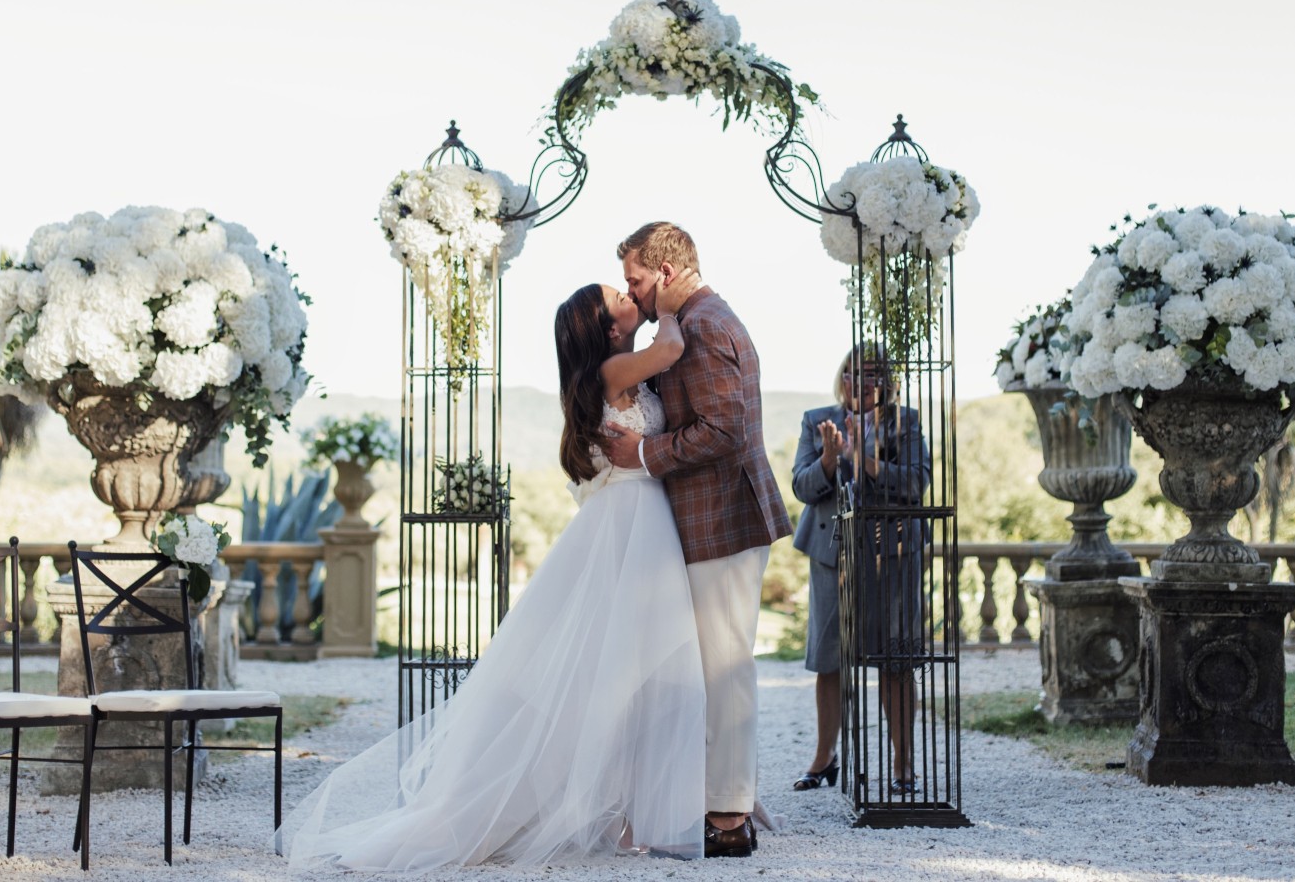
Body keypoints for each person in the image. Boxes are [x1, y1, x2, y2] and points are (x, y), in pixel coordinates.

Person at [278, 275, 708, 871]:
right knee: (609, 669)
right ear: (609, 328)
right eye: (621, 298)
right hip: (626, 527)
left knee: (635, 669)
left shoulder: (620, 371)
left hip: (643, 522)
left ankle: (633, 813)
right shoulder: (616, 372)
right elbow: (672, 349)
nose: (632, 299)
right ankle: (574, 809)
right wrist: (672, 301)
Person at [603, 221, 793, 859]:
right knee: (710, 666)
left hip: (724, 518)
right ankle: (712, 800)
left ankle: (729, 819)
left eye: (635, 279)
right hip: (710, 519)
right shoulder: (693, 321)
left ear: (665, 270)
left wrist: (643, 454)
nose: (632, 293)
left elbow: (724, 430)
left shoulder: (706, 325)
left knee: (725, 667)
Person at [788, 344, 930, 793]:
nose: (860, 382)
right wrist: (830, 459)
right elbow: (801, 486)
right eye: (852, 373)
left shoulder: (905, 422)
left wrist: (861, 459)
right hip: (833, 553)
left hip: (893, 551)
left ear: (886, 382)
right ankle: (823, 758)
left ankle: (903, 763)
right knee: (829, 660)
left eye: (871, 374)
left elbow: (916, 481)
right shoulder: (816, 420)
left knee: (895, 657)